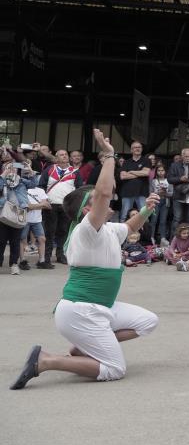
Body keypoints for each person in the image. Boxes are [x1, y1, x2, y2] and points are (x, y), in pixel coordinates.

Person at [10, 129, 159, 390]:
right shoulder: (87, 230)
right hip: (81, 312)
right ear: (88, 211)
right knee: (114, 369)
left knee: (148, 321)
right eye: (97, 199)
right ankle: (46, 361)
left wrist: (147, 208)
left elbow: (130, 226)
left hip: (101, 307)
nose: (106, 196)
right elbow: (102, 193)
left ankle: (85, 346)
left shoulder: (107, 229)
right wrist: (109, 155)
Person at [41, 148, 78, 265]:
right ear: (56, 158)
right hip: (50, 205)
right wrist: (43, 200)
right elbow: (41, 186)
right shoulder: (49, 169)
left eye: (66, 154)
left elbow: (80, 189)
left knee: (63, 231)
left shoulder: (75, 171)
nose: (64, 156)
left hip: (66, 206)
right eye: (61, 155)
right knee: (49, 232)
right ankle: (46, 256)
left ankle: (60, 255)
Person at [167, 148, 189, 228]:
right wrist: (180, 179)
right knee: (177, 218)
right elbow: (169, 179)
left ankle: (188, 239)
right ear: (182, 156)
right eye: (186, 156)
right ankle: (173, 239)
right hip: (178, 195)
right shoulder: (174, 165)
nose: (188, 158)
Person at [117, 141, 150, 223]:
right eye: (135, 147)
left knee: (144, 215)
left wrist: (131, 171)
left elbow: (146, 173)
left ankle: (144, 235)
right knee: (124, 215)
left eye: (139, 147)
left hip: (142, 192)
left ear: (142, 149)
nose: (137, 149)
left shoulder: (146, 160)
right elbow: (122, 176)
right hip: (127, 192)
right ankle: (123, 235)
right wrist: (139, 173)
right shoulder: (126, 162)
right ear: (131, 150)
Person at [20, 184, 50, 271]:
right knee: (22, 239)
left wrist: (32, 206)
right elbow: (27, 206)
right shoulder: (22, 189)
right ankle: (22, 261)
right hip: (24, 219)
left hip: (37, 220)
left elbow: (47, 205)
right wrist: (40, 204)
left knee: (42, 239)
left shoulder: (40, 190)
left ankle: (41, 261)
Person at [149, 163, 173, 244]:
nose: (160, 172)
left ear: (165, 171)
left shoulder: (169, 181)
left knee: (163, 221)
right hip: (155, 202)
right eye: (159, 170)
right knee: (154, 220)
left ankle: (163, 238)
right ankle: (151, 237)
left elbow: (172, 193)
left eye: (162, 170)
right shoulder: (153, 181)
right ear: (156, 172)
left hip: (165, 202)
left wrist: (165, 193)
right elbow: (150, 192)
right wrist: (157, 192)